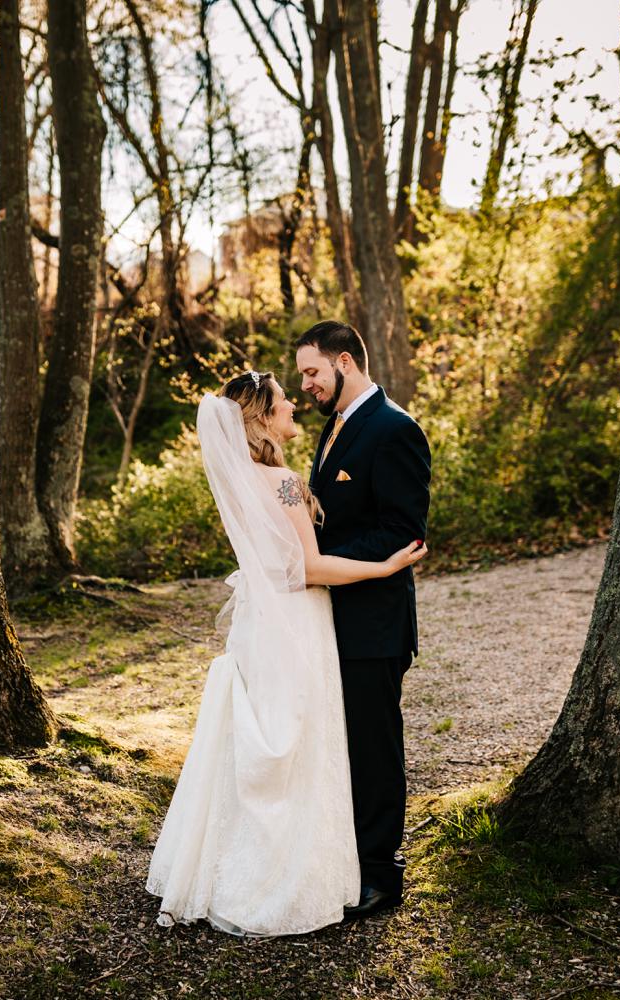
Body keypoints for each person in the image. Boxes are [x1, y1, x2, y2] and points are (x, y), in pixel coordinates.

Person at [144, 368, 427, 937]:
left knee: (267, 741)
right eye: (283, 402)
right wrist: (386, 565)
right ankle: (293, 872)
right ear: (264, 418)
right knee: (302, 742)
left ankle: (237, 866)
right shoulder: (284, 482)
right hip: (297, 621)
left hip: (259, 626)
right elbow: (311, 567)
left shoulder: (239, 478)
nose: (296, 405)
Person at [296, 320, 432, 918]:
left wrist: (319, 562)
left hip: (375, 623)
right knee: (342, 745)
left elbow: (402, 533)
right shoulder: (336, 426)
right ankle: (345, 859)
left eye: (311, 372)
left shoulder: (395, 430)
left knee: (375, 748)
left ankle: (381, 873)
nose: (305, 385)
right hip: (334, 617)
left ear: (345, 361)